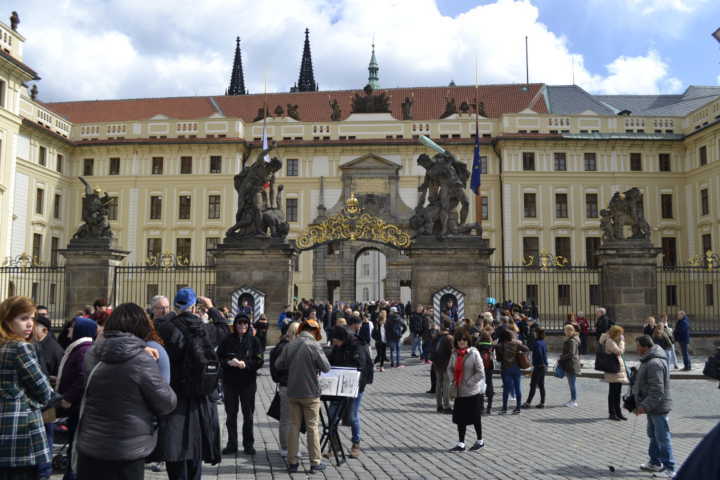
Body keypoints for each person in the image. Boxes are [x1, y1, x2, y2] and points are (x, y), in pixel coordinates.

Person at [75, 303, 177, 480]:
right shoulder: (142, 360)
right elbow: (166, 403)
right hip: (127, 450)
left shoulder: (93, 353)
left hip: (91, 445)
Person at [157, 288, 229, 480]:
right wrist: (212, 308)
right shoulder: (204, 329)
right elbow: (223, 327)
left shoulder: (166, 327)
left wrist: (173, 313)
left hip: (176, 394)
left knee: (175, 449)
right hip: (201, 395)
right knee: (195, 449)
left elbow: (157, 325)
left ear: (175, 305)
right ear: (194, 306)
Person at [0, 296, 54, 480]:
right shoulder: (19, 347)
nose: (30, 324)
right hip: (20, 432)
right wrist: (30, 399)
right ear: (7, 320)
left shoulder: (3, 345)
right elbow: (44, 391)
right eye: (23, 318)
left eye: (32, 318)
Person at [276, 319, 330, 474]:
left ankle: (292, 462)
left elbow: (279, 364)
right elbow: (326, 367)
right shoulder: (314, 345)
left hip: (293, 391)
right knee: (313, 427)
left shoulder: (290, 345)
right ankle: (315, 462)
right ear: (314, 331)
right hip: (310, 392)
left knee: (294, 426)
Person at [57, 316, 97, 480]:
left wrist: (69, 398)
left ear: (81, 330)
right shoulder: (79, 348)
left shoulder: (83, 350)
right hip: (74, 405)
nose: (68, 329)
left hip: (76, 406)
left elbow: (82, 377)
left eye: (73, 327)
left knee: (74, 444)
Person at [217, 314, 264, 455]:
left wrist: (246, 364)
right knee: (231, 414)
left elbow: (259, 360)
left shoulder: (254, 341)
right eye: (239, 323)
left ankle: (248, 444)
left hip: (247, 382)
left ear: (248, 325)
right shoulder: (227, 340)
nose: (242, 326)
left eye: (245, 323)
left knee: (248, 414)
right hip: (230, 382)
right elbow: (219, 357)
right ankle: (232, 444)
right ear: (235, 324)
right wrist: (228, 363)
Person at [327, 322, 373, 458]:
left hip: (356, 386)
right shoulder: (337, 346)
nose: (334, 344)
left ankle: (356, 443)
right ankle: (334, 446)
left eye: (335, 341)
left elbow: (362, 367)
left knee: (352, 416)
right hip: (338, 385)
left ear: (342, 338)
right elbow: (332, 361)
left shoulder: (357, 345)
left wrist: (350, 380)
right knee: (332, 415)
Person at [633, 335, 675, 477]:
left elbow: (657, 390)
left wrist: (643, 406)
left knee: (662, 437)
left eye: (638, 346)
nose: (636, 348)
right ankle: (655, 462)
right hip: (653, 406)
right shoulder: (650, 359)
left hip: (658, 407)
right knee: (653, 434)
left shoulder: (654, 363)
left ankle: (669, 468)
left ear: (645, 347)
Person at [32, 312, 65, 480]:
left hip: (48, 402)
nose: (30, 328)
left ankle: (44, 470)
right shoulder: (39, 344)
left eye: (34, 325)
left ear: (44, 330)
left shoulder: (51, 347)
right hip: (46, 400)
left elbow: (57, 374)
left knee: (46, 436)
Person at [447, 329, 485, 452]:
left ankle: (480, 440)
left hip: (472, 391)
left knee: (475, 417)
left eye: (464, 339)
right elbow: (449, 368)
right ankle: (461, 443)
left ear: (468, 340)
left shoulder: (474, 353)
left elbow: (480, 372)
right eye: (459, 340)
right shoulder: (454, 353)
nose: (462, 342)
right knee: (460, 419)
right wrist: (453, 379)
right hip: (459, 391)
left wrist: (470, 382)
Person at [269, 321, 300, 458]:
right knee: (288, 419)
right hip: (288, 385)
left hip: (286, 385)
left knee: (289, 419)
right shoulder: (286, 347)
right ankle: (286, 447)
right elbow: (278, 367)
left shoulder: (283, 346)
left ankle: (288, 446)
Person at [495, 328, 529, 414]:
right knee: (517, 388)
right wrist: (519, 353)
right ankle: (518, 408)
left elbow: (498, 359)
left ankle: (504, 408)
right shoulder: (516, 344)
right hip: (516, 367)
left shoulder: (499, 345)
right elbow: (526, 349)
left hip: (506, 368)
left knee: (506, 389)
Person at [598, 325, 629, 421]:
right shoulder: (610, 341)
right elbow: (619, 352)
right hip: (613, 370)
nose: (621, 335)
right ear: (615, 333)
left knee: (617, 392)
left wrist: (620, 341)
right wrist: (622, 342)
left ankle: (618, 412)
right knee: (613, 392)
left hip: (617, 370)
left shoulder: (614, 341)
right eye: (620, 333)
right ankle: (612, 413)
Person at [522, 327, 548, 409]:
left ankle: (528, 402)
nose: (533, 333)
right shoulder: (543, 342)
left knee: (533, 385)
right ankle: (542, 402)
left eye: (534, 332)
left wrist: (533, 364)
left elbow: (539, 354)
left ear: (537, 333)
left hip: (538, 366)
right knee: (541, 385)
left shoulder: (537, 343)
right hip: (543, 366)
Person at [432, 321, 454, 414]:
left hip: (436, 364)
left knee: (438, 385)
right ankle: (447, 406)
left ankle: (439, 406)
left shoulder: (436, 337)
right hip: (445, 364)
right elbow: (452, 351)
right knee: (446, 385)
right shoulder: (449, 338)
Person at [559, 324, 581, 407]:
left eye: (565, 330)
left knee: (572, 383)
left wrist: (562, 357)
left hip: (571, 364)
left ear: (569, 331)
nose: (564, 332)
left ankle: (574, 400)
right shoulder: (571, 339)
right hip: (570, 363)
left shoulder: (572, 341)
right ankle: (572, 399)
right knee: (571, 383)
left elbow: (571, 353)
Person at [475, 331, 494, 414]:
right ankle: (489, 407)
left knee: (480, 387)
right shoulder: (491, 346)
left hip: (480, 368)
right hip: (489, 367)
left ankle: (481, 407)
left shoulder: (478, 345)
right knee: (489, 385)